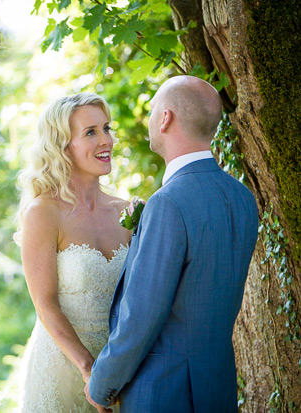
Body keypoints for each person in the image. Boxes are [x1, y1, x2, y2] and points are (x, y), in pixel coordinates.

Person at [85, 75, 259, 412]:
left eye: (152, 111)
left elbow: (141, 314)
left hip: (165, 392)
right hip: (218, 386)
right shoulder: (243, 197)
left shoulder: (168, 203)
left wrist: (102, 384)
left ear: (165, 119)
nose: (150, 119)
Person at [16, 92, 131, 412]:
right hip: (63, 368)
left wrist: (115, 371)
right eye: (90, 132)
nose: (106, 140)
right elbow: (45, 305)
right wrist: (90, 370)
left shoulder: (128, 211)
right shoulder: (43, 212)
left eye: (106, 128)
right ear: (62, 146)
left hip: (121, 373)